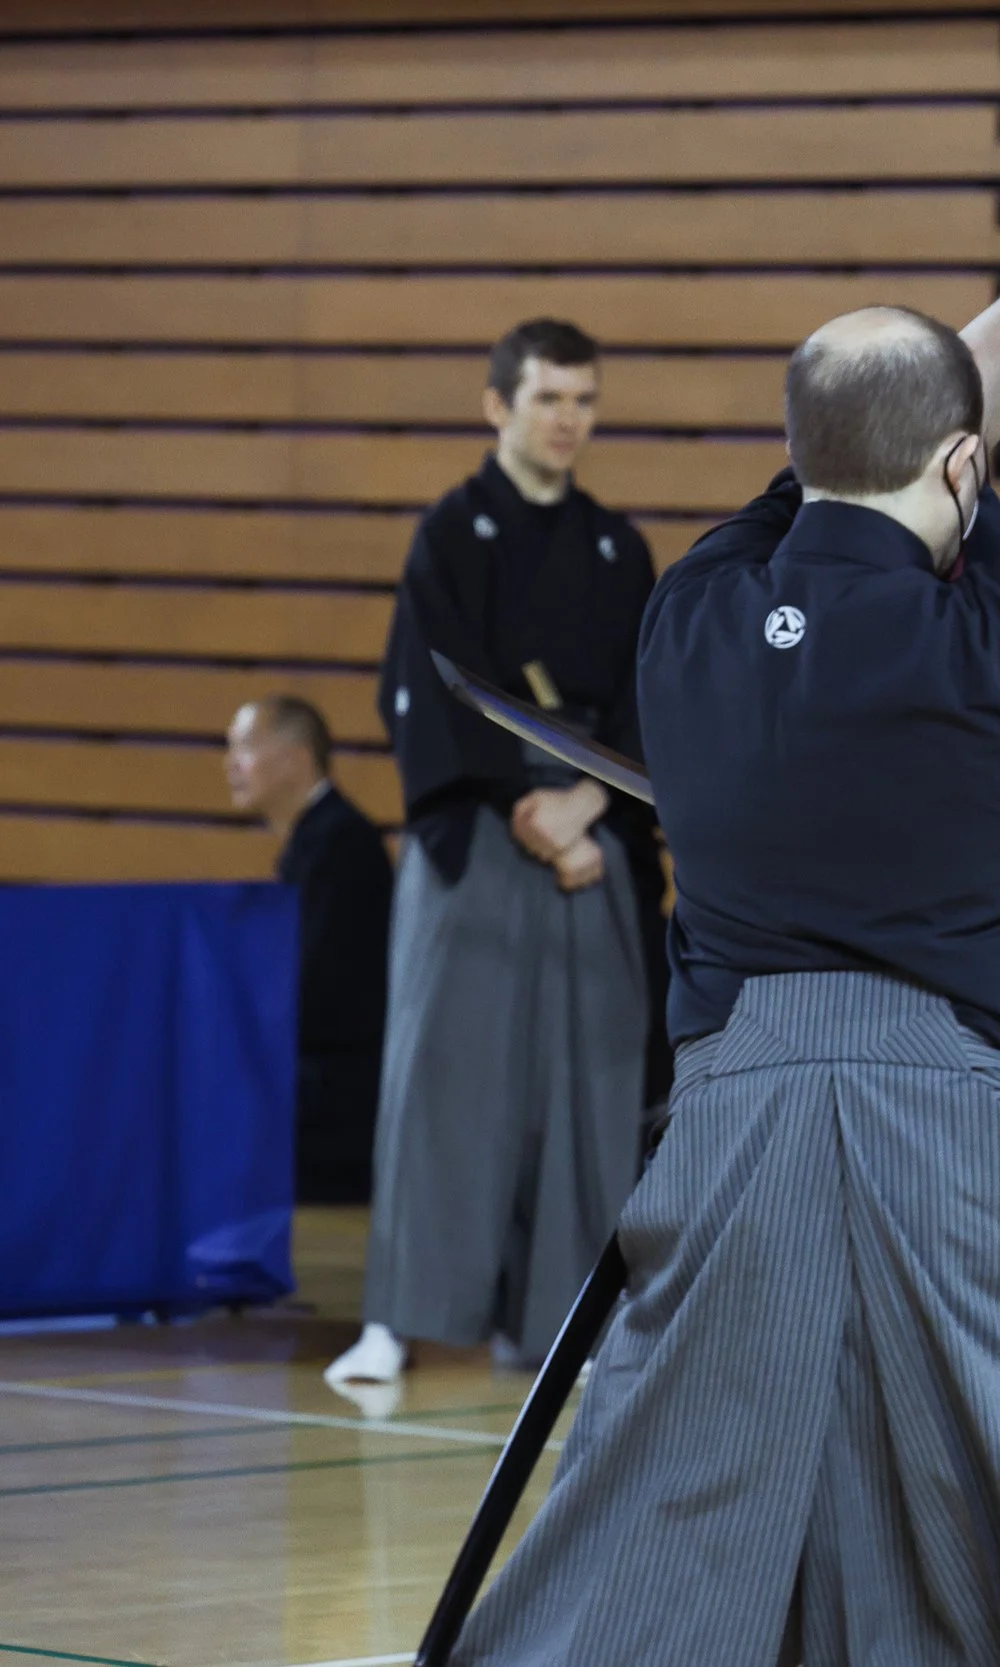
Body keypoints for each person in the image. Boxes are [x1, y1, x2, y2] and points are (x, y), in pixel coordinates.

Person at [450, 130, 1000, 1667]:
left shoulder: (689, 614)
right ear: (971, 468)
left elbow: (876, 434)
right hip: (952, 1116)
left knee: (672, 1504)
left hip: (727, 1113)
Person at [329, 318, 668, 1387]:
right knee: (448, 1080)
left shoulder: (621, 547)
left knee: (592, 1083)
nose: (567, 420)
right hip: (478, 825)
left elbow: (644, 697)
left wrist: (581, 809)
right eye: (546, 399)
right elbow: (426, 687)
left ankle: (558, 1318)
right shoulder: (451, 532)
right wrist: (527, 811)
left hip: (590, 829)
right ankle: (399, 1317)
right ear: (497, 406)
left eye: (583, 400)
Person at [224, 696, 393, 1204]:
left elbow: (322, 990)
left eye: (245, 748)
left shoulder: (341, 845)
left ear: (297, 758)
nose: (230, 765)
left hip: (336, 1108)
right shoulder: (318, 841)